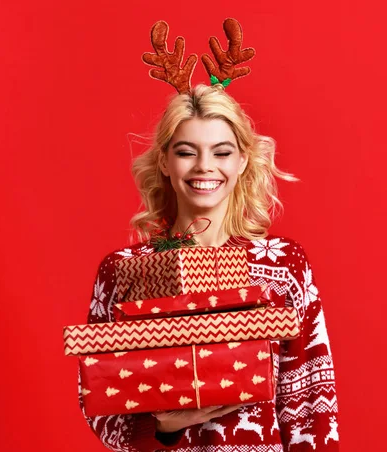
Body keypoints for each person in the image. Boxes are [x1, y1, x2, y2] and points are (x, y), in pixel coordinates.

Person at [77, 17, 339, 450]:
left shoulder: (283, 265)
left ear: (242, 162)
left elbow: (311, 400)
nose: (204, 167)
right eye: (186, 152)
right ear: (164, 162)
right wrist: (165, 425)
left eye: (221, 152)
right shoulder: (123, 273)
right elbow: (100, 400)